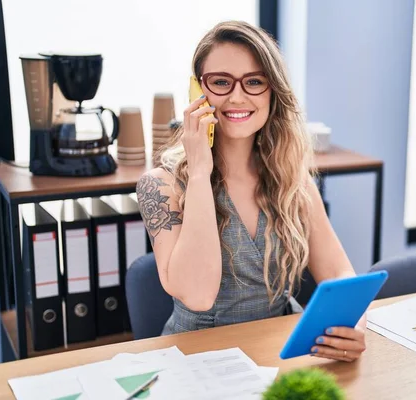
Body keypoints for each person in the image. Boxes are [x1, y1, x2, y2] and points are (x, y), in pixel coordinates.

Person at [136, 20, 365, 362]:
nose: (237, 96)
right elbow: (198, 295)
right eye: (221, 82)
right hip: (196, 361)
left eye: (254, 82)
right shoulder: (161, 184)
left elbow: (339, 274)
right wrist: (200, 171)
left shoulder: (291, 177)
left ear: (273, 91)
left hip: (278, 352)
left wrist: (353, 326)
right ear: (197, 91)